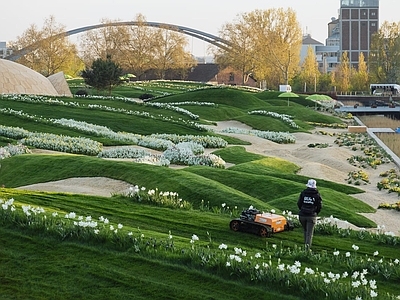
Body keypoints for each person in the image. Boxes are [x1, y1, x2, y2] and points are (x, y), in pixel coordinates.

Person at [297, 179, 322, 250]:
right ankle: (307, 250)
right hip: (311, 216)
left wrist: (302, 210)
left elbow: (299, 203)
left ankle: (305, 246)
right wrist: (316, 212)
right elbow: (319, 206)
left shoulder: (303, 193)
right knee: (309, 234)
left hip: (302, 215)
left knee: (305, 231)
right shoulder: (317, 195)